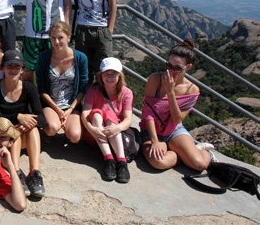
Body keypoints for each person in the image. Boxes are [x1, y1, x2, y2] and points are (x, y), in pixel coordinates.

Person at [140, 39, 215, 171]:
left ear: (188, 67)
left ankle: (202, 152)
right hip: (151, 131)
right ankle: (184, 155)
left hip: (174, 130)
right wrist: (155, 141)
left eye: (177, 68)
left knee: (200, 165)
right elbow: (148, 112)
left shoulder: (191, 90)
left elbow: (177, 119)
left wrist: (170, 93)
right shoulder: (155, 79)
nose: (171, 70)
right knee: (158, 162)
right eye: (169, 65)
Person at [0, 50, 46, 197]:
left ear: (22, 69)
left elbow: (42, 118)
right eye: (9, 66)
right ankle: (17, 171)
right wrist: (19, 116)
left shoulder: (29, 88)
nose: (13, 70)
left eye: (17, 67)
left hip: (24, 136)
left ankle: (35, 173)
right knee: (14, 130)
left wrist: (28, 123)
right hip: (6, 137)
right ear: (3, 68)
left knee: (33, 129)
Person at [81, 58, 133, 183]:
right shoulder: (94, 90)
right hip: (95, 134)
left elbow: (128, 119)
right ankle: (109, 159)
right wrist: (92, 129)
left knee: (109, 114)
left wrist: (117, 128)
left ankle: (121, 162)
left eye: (113, 74)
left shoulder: (126, 93)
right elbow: (85, 113)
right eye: (106, 74)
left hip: (115, 134)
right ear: (101, 75)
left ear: (119, 76)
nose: (109, 77)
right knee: (97, 113)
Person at [36, 21, 88, 143]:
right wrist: (58, 110)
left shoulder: (80, 58)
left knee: (75, 137)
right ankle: (48, 127)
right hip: (51, 104)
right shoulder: (44, 57)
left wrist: (69, 110)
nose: (56, 42)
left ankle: (68, 126)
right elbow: (41, 87)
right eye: (53, 38)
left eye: (60, 38)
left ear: (69, 37)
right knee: (52, 128)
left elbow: (82, 87)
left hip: (72, 104)